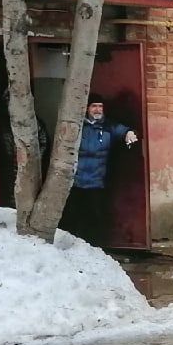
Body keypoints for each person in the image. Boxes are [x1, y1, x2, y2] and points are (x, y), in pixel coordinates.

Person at [62, 92, 138, 248]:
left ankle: (95, 249)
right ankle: (74, 250)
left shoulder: (108, 126)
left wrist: (129, 133)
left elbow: (123, 130)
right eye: (94, 106)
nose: (97, 110)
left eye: (100, 106)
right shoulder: (77, 126)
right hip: (76, 182)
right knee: (74, 218)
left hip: (97, 183)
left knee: (95, 218)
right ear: (87, 108)